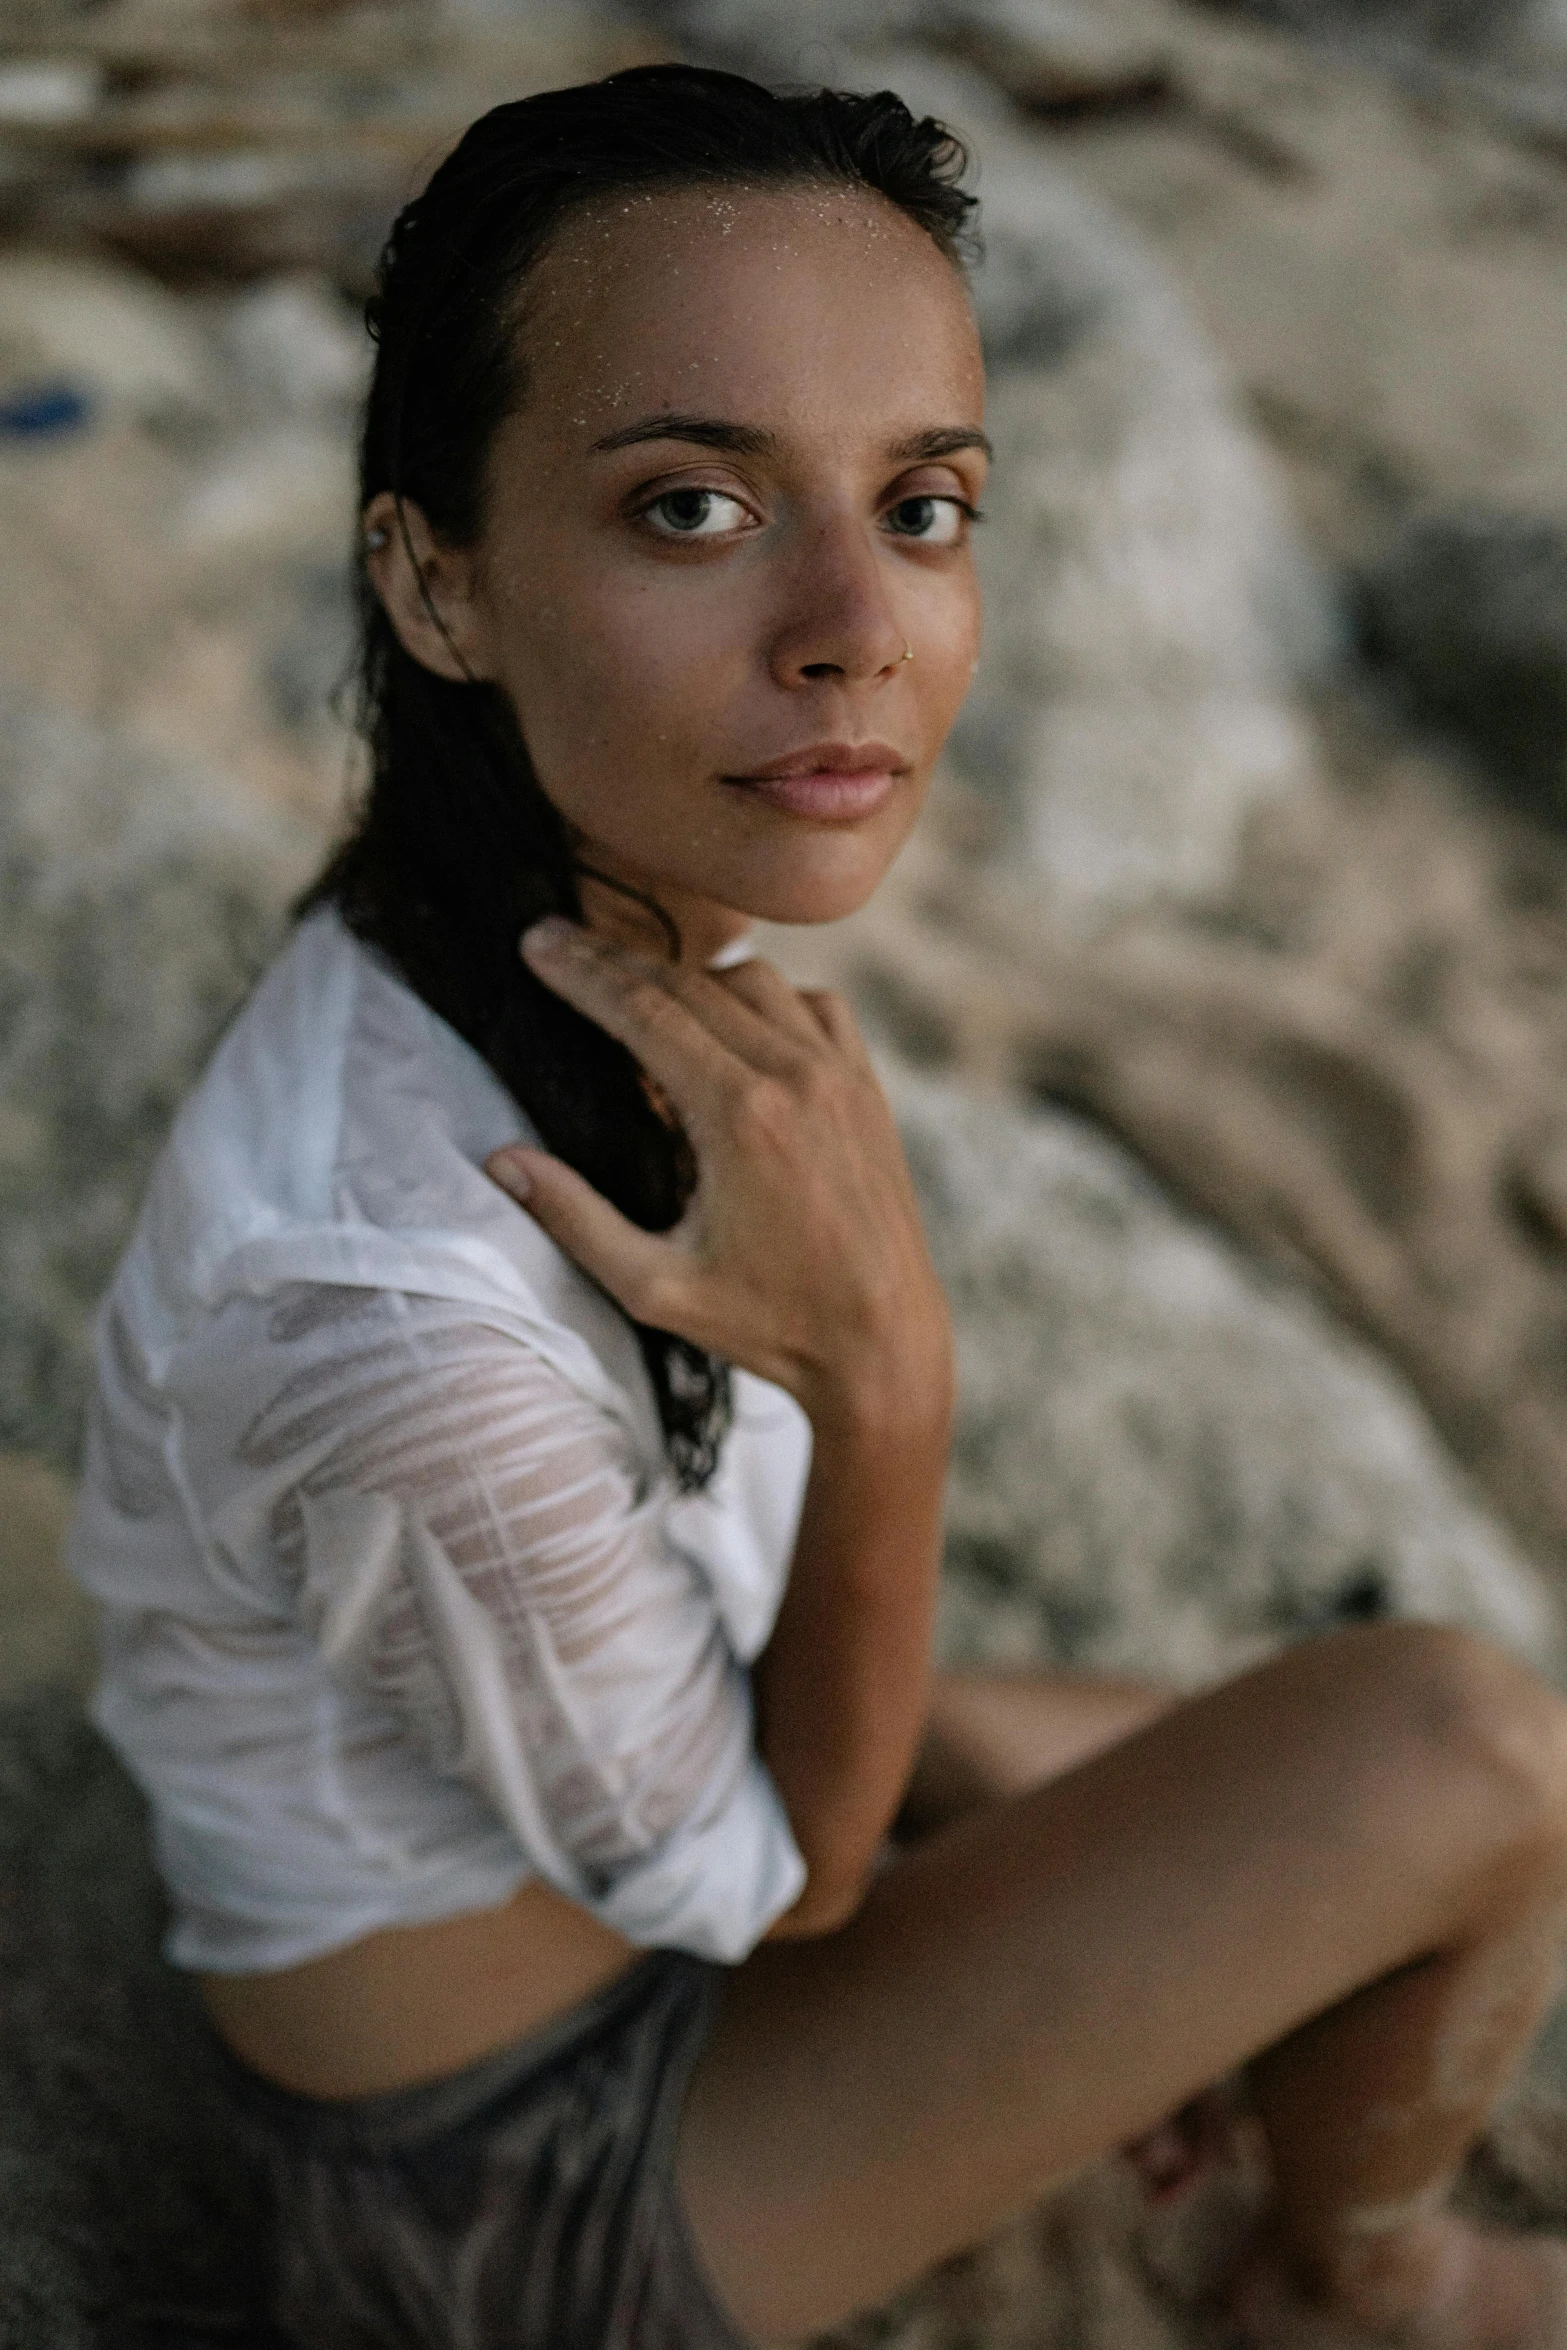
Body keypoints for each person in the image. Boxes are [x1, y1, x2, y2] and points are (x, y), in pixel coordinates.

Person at [66, 62, 1567, 2350]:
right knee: (1462, 1746)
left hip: (622, 1859)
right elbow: (785, 1884)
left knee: (1352, 1785)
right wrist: (889, 1379)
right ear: (435, 577)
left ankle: (1232, 2136)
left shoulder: (536, 916)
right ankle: (1352, 2277)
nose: (856, 620)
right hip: (524, 2194)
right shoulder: (393, 1323)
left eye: (927, 502)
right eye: (692, 508)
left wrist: (1078, 1932)